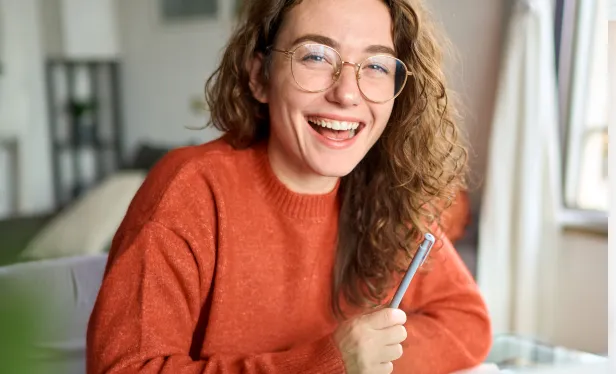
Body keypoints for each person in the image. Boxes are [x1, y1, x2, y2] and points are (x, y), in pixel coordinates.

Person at [86, 0, 492, 373]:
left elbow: (466, 321)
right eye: (316, 56)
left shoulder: (386, 194)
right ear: (260, 76)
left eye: (376, 66)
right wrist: (329, 363)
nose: (347, 94)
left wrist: (373, 360)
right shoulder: (190, 190)